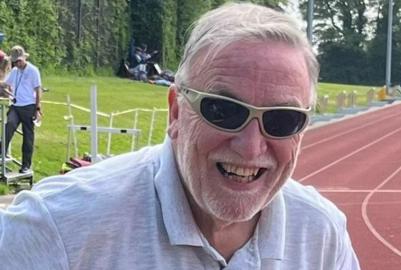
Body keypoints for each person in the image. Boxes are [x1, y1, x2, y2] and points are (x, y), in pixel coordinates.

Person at [0, 3, 360, 269]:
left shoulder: (322, 237)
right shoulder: (54, 230)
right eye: (223, 110)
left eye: (283, 119)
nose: (251, 146)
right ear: (176, 111)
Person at [2, 45, 42, 173]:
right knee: (9, 126)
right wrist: (4, 88)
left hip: (29, 107)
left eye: (18, 60)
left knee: (28, 136)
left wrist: (37, 108)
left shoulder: (33, 70)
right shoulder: (14, 71)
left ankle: (25, 165)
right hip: (15, 105)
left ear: (24, 58)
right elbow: (6, 83)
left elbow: (38, 89)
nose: (17, 63)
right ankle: (1, 152)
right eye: (14, 61)